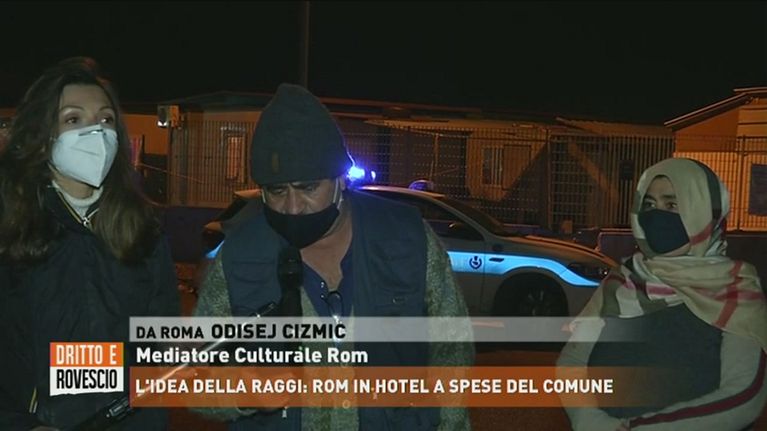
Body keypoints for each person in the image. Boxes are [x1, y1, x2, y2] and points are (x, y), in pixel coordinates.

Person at [192, 83, 474, 430]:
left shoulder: (407, 239)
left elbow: (452, 350)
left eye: (308, 188)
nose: (293, 208)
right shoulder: (239, 257)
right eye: (277, 191)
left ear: (341, 179)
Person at [0, 57, 180, 430]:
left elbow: (160, 346)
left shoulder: (142, 230)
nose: (95, 132)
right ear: (41, 135)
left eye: (106, 119)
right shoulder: (11, 229)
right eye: (73, 119)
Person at [557, 157, 767, 430]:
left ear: (703, 211)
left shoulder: (735, 290)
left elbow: (743, 396)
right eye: (649, 205)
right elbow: (572, 362)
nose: (657, 216)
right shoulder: (623, 281)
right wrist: (589, 420)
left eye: (672, 205)